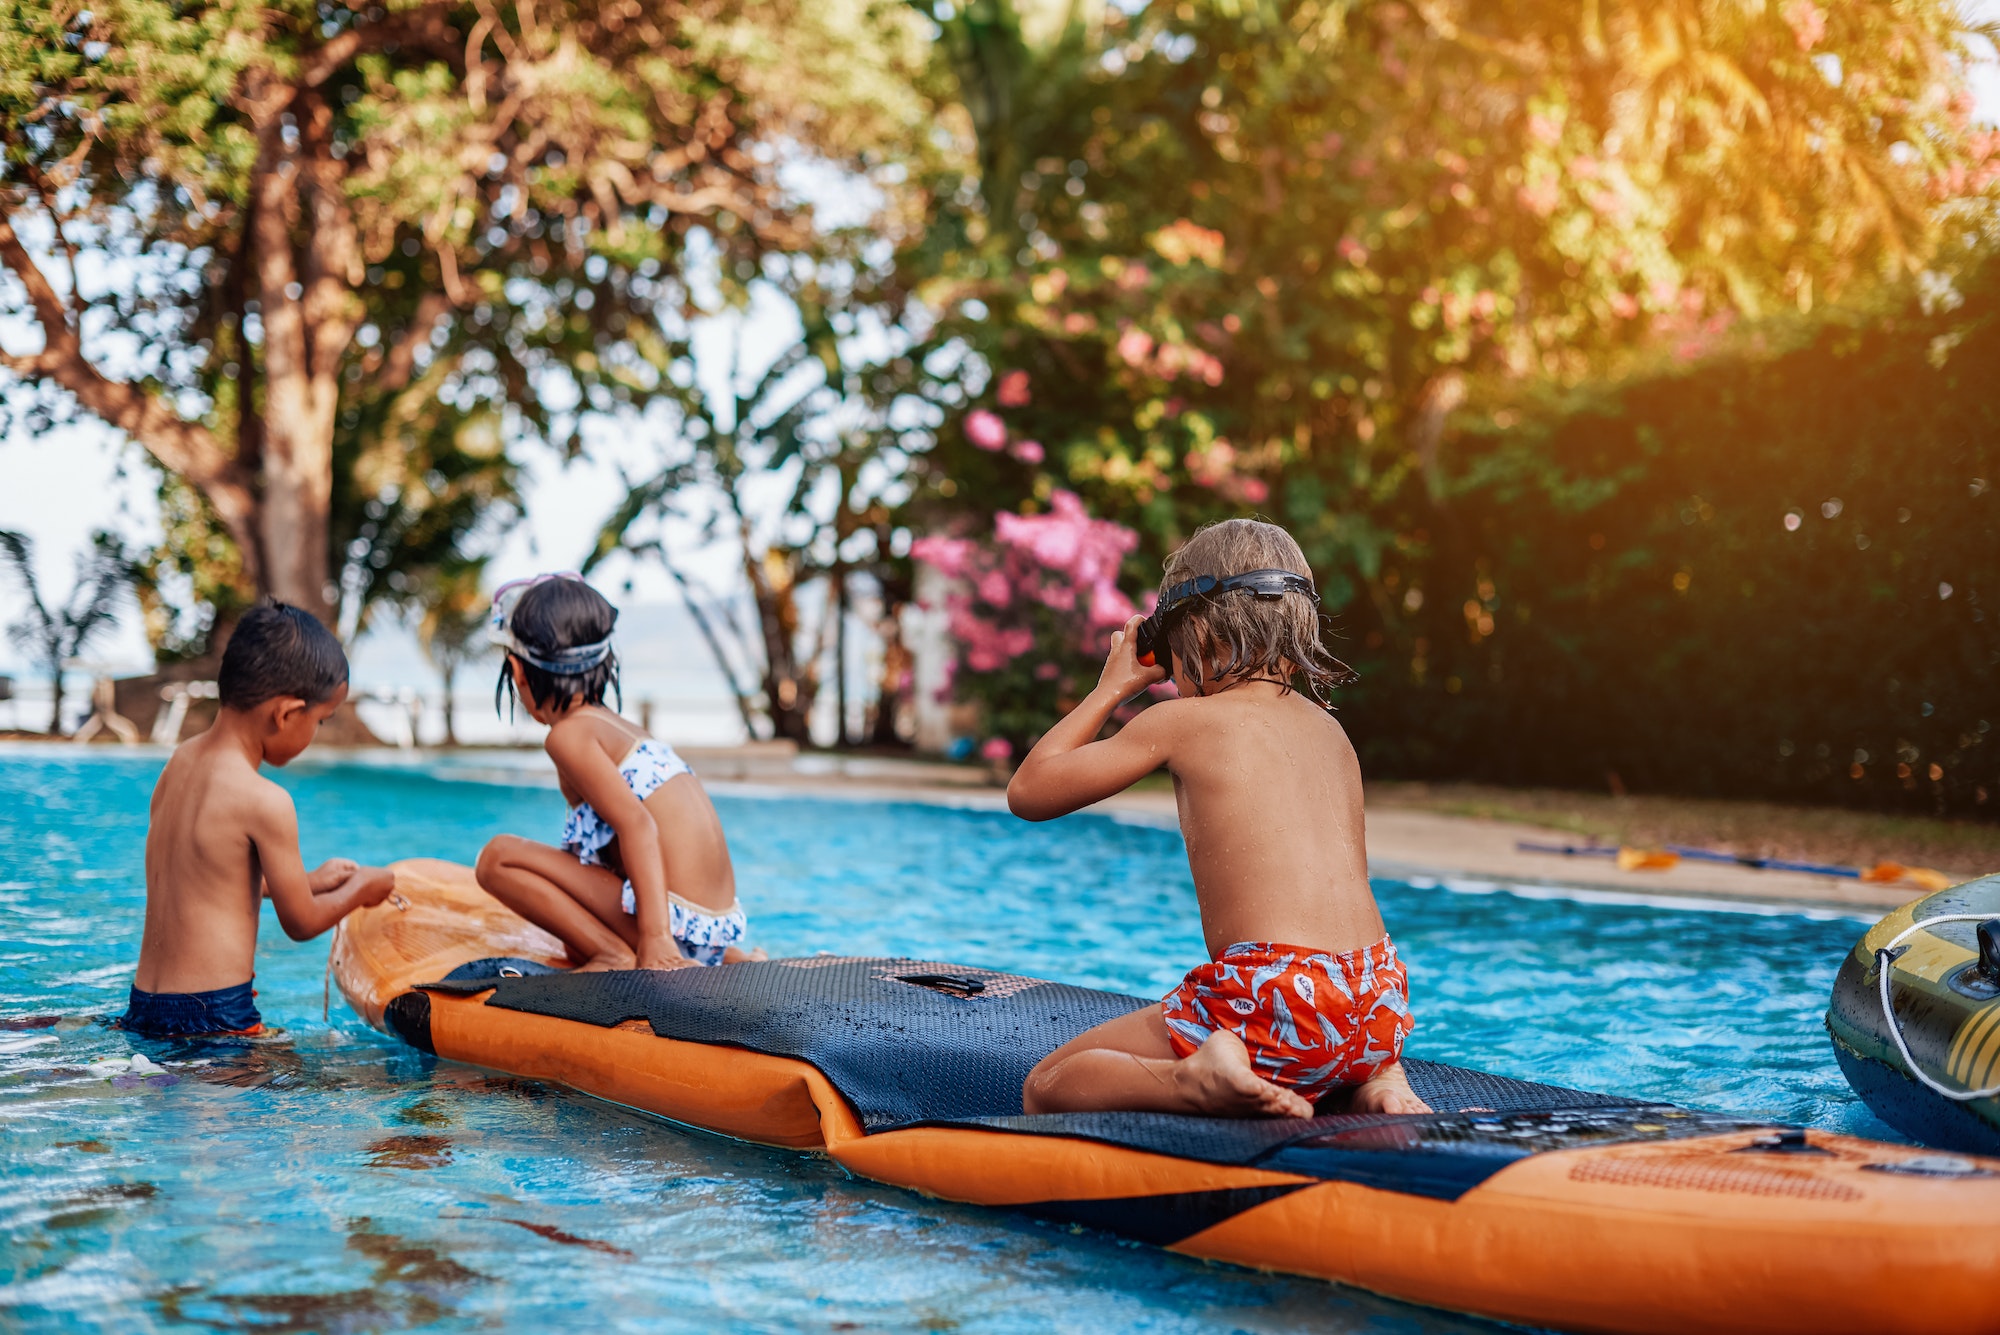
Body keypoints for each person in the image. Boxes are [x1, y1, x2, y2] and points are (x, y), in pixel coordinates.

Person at [1010, 519, 1431, 1119]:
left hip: (1273, 1001)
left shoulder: (1180, 723)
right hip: (1377, 1000)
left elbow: (1029, 791)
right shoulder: (1331, 732)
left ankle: (1196, 1080)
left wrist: (1113, 688)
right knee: (1340, 1013)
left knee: (1047, 1085)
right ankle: (1377, 1078)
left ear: (1197, 632)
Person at [124, 600, 397, 1038]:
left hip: (145, 1007)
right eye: (321, 721)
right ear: (287, 713)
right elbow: (301, 923)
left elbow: (211, 878)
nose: (316, 732)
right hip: (216, 1015)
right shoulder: (265, 800)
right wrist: (364, 887)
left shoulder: (179, 762)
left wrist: (308, 880)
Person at [473, 574, 756, 971]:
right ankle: (727, 957)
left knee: (497, 858)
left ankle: (613, 954)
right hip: (708, 934)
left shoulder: (568, 735)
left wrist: (656, 941)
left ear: (518, 672)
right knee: (574, 937)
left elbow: (638, 825)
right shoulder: (624, 731)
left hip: (669, 936)